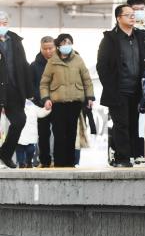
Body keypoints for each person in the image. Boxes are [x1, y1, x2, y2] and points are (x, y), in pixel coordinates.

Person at [97, 4, 145, 167]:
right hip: (118, 90)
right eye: (128, 14)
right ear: (118, 18)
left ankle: (132, 154)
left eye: (133, 14)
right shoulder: (110, 39)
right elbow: (102, 66)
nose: (132, 17)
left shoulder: (141, 36)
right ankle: (122, 158)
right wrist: (110, 88)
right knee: (121, 124)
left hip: (137, 89)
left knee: (134, 123)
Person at [40, 34, 94, 168]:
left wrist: (90, 97)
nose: (67, 46)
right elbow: (44, 83)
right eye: (64, 43)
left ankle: (70, 163)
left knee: (71, 134)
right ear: (58, 46)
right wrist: (46, 99)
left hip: (75, 103)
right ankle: (59, 163)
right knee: (59, 135)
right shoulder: (52, 61)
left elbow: (87, 80)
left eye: (69, 43)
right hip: (58, 103)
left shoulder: (78, 60)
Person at [0, 11, 35, 169]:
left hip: (13, 90)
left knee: (20, 120)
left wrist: (30, 92)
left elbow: (23, 65)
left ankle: (5, 153)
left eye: (4, 23)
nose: (2, 26)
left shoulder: (15, 40)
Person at [30, 36, 56, 167]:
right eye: (45, 48)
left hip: (58, 104)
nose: (48, 51)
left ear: (55, 47)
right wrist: (41, 100)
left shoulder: (59, 63)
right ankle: (44, 160)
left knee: (59, 133)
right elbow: (32, 85)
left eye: (50, 48)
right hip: (41, 106)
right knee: (43, 134)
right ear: (40, 48)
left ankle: (57, 159)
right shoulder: (34, 66)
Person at [16, 99, 43, 168]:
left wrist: (47, 109)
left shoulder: (32, 105)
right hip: (19, 132)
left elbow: (41, 112)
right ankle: (21, 163)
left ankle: (29, 162)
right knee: (19, 148)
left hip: (30, 133)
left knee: (30, 149)